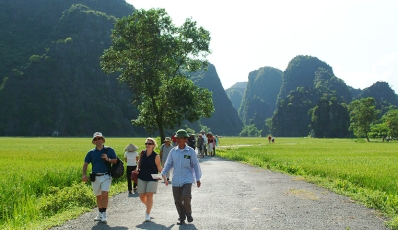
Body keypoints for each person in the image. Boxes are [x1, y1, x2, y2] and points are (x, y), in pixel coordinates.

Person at [161, 129, 202, 225]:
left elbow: (195, 165)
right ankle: (181, 217)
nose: (178, 140)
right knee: (177, 200)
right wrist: (163, 172)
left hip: (187, 178)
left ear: (185, 139)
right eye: (177, 138)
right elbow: (168, 164)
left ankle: (188, 213)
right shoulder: (173, 151)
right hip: (176, 180)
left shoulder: (190, 151)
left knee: (185, 196)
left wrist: (198, 178)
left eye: (180, 138)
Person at [82, 132, 117, 224]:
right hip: (95, 177)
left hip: (106, 176)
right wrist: (84, 174)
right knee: (98, 196)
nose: (98, 140)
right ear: (94, 141)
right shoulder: (91, 153)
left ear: (102, 140)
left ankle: (104, 214)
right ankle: (100, 213)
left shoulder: (109, 150)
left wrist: (108, 159)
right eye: (96, 139)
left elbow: (115, 160)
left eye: (99, 138)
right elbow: (85, 164)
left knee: (105, 194)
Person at [133, 137, 166, 222]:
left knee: (149, 194)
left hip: (153, 177)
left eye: (150, 144)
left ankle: (147, 213)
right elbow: (139, 162)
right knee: (141, 196)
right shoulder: (142, 153)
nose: (147, 145)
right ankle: (149, 206)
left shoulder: (156, 156)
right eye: (146, 143)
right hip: (142, 176)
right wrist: (137, 168)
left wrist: (165, 178)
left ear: (153, 145)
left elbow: (159, 168)